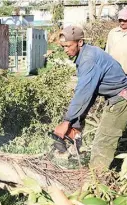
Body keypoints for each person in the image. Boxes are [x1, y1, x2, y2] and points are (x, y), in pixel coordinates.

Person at [54, 25, 127, 170]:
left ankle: (96, 182)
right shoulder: (87, 54)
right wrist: (76, 124)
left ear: (79, 42)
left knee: (103, 142)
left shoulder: (88, 59)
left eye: (68, 46)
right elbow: (90, 93)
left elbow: (83, 92)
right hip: (116, 98)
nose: (65, 50)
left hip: (121, 100)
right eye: (63, 47)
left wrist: (67, 121)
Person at [105, 7, 127, 75]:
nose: (122, 22)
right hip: (115, 71)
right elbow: (107, 51)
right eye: (120, 20)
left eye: (125, 20)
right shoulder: (113, 32)